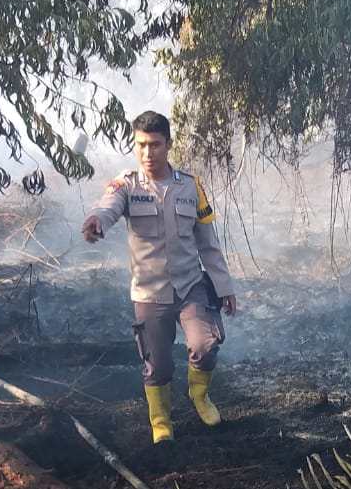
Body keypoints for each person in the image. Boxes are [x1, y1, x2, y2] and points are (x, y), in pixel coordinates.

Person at [81, 110, 236, 444]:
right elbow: (108, 205)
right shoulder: (127, 185)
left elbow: (208, 243)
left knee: (205, 344)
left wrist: (224, 287)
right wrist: (97, 220)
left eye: (154, 145)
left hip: (190, 286)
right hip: (149, 293)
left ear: (168, 144)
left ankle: (199, 396)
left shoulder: (191, 187)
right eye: (140, 145)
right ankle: (161, 421)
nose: (147, 154)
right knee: (158, 365)